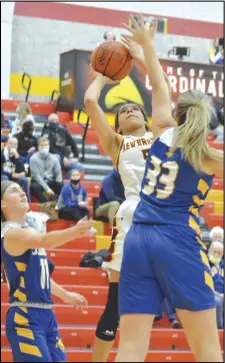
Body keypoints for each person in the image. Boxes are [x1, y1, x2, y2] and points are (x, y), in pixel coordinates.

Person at [115, 15, 223, 363]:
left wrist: (147, 45)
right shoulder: (209, 156)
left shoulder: (161, 129)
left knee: (130, 348)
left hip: (138, 239)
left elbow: (159, 88)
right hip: (177, 239)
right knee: (208, 350)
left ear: (178, 114)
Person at [84, 36, 168, 361]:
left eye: (135, 108)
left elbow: (161, 89)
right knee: (114, 304)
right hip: (133, 215)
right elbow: (92, 103)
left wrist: (143, 55)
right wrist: (104, 77)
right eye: (124, 111)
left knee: (163, 302)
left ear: (146, 118)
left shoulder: (160, 132)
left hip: (164, 214)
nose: (130, 110)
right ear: (117, 124)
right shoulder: (117, 144)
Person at [1, 180, 92, 362]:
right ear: (2, 204)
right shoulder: (11, 233)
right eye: (14, 191)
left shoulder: (29, 231)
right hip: (24, 316)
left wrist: (66, 295)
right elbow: (46, 240)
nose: (21, 193)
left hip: (47, 315)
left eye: (21, 190)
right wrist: (75, 231)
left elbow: (40, 276)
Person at [30, 137, 63, 203]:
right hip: (38, 181)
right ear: (38, 147)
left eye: (46, 145)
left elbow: (58, 173)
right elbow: (36, 176)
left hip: (49, 180)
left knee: (60, 184)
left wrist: (58, 183)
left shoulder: (54, 158)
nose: (44, 147)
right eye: (42, 145)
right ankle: (45, 202)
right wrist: (47, 189)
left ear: (49, 146)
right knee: (34, 186)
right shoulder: (33, 158)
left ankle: (57, 201)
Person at [1, 137, 31, 202]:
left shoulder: (17, 155)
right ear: (6, 144)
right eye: (11, 143)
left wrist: (17, 156)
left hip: (15, 180)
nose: (13, 145)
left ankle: (28, 203)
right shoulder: (2, 154)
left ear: (17, 146)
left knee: (24, 179)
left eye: (15, 144)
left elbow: (22, 171)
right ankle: (4, 201)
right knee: (4, 177)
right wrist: (12, 175)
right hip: (4, 179)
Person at [208, 241, 224, 329]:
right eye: (214, 252)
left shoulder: (223, 265)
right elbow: (206, 286)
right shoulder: (204, 264)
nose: (216, 255)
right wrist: (220, 295)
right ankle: (220, 328)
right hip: (210, 294)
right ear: (210, 250)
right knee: (218, 301)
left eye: (219, 253)